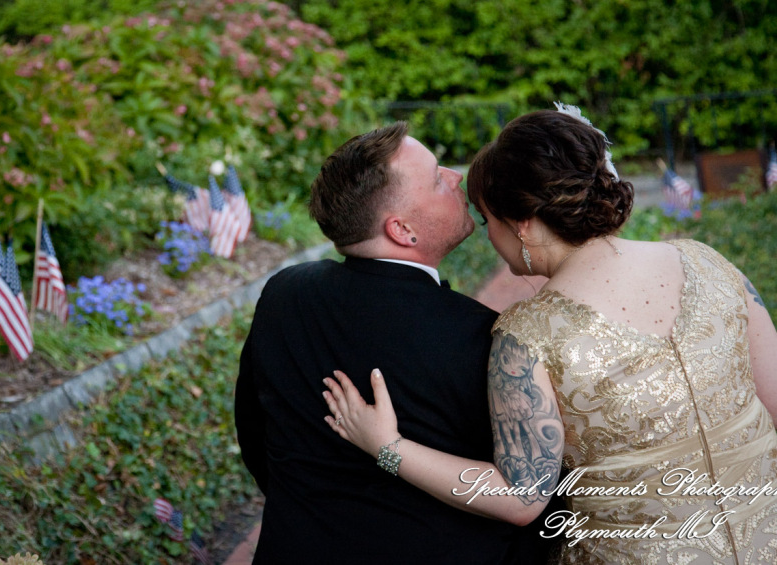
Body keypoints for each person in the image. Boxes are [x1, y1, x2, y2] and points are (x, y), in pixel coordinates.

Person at [321, 107, 777, 563]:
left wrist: (388, 446)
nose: (489, 234)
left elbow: (523, 499)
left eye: (487, 218)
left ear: (521, 223)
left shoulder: (527, 336)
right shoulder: (705, 260)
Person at [234, 122, 555, 564]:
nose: (456, 176)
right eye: (437, 179)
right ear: (402, 230)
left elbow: (255, 433)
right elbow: (526, 497)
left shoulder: (285, 293)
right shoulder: (484, 337)